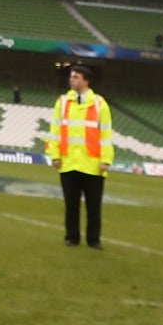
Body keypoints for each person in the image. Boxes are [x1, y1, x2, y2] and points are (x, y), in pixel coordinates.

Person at [45, 62, 112, 247]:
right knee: (71, 204)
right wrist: (55, 155)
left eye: (76, 77)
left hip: (92, 163)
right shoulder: (63, 102)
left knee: (94, 206)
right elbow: (55, 130)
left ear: (86, 81)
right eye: (71, 76)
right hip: (69, 162)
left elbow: (106, 134)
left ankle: (94, 239)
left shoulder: (99, 104)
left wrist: (106, 160)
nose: (71, 80)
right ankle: (72, 237)